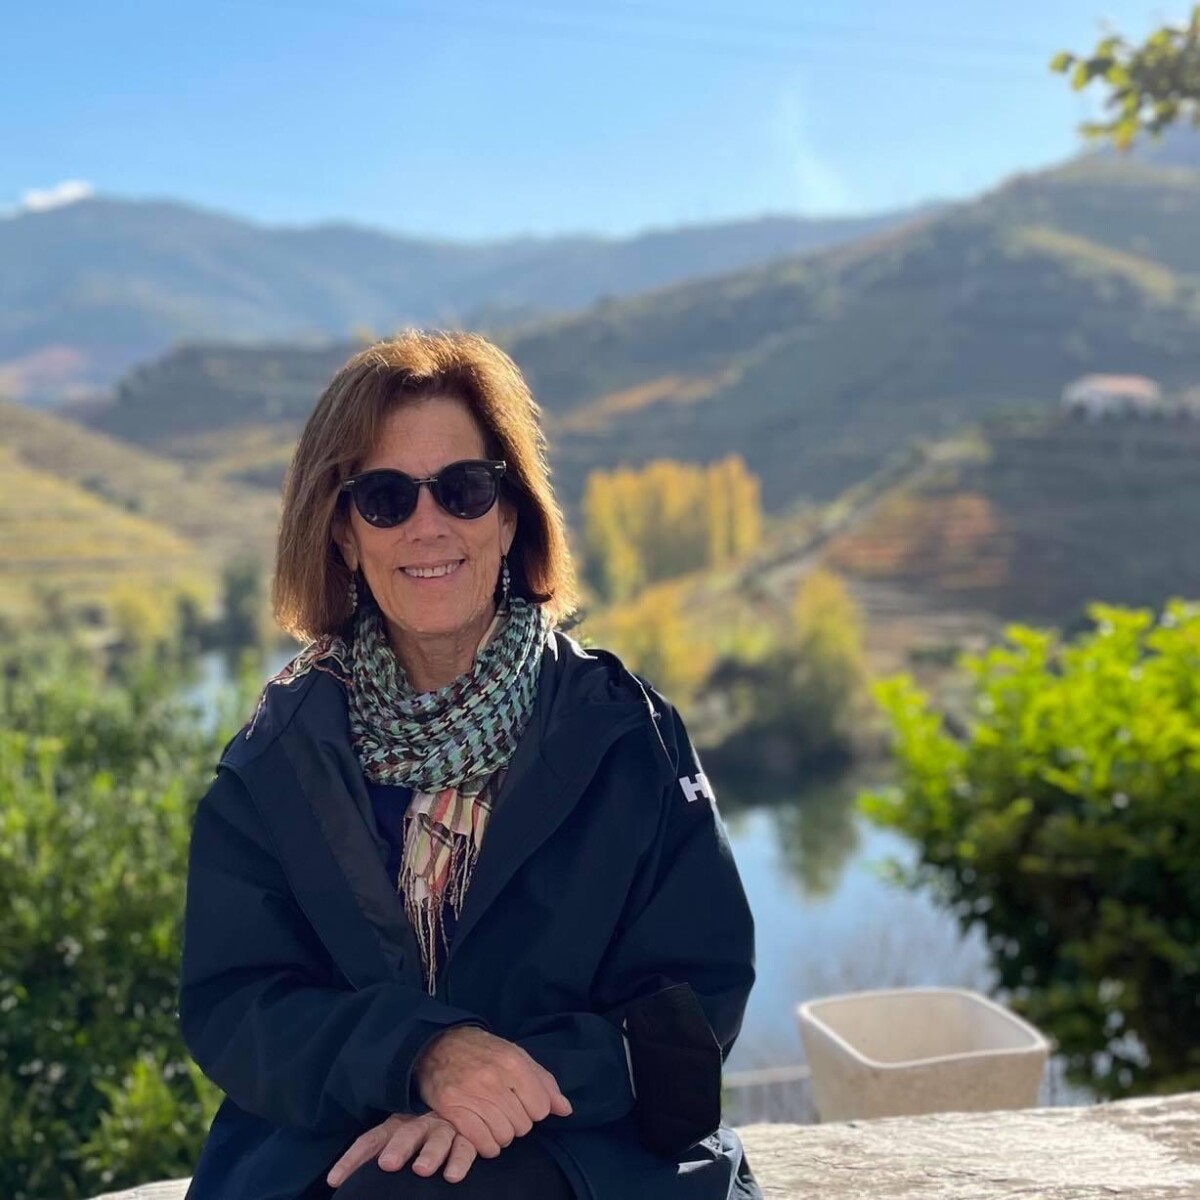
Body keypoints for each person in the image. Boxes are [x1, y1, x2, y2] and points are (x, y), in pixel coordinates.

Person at [178, 331, 762, 1199]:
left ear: (511, 514)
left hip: (585, 1148)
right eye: (384, 498)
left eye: (463, 489)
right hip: (334, 1145)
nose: (429, 525)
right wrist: (419, 1055)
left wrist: (501, 1089)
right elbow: (237, 1002)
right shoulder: (278, 756)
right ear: (342, 534)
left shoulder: (624, 732)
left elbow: (695, 996)